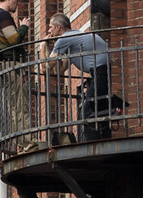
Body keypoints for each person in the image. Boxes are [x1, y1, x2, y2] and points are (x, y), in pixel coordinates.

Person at [48, 12, 114, 140]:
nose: (49, 30)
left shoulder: (64, 38)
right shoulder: (74, 38)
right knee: (100, 108)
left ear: (58, 27)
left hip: (100, 72)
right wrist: (58, 55)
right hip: (102, 73)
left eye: (50, 27)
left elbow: (45, 66)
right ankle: (104, 138)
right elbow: (59, 71)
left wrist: (44, 46)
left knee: (86, 111)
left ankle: (89, 144)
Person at [0, 0, 34, 147]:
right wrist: (23, 27)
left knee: (16, 106)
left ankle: (23, 142)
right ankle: (27, 143)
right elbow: (14, 39)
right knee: (20, 106)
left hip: (4, 67)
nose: (18, 2)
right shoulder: (2, 15)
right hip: (9, 65)